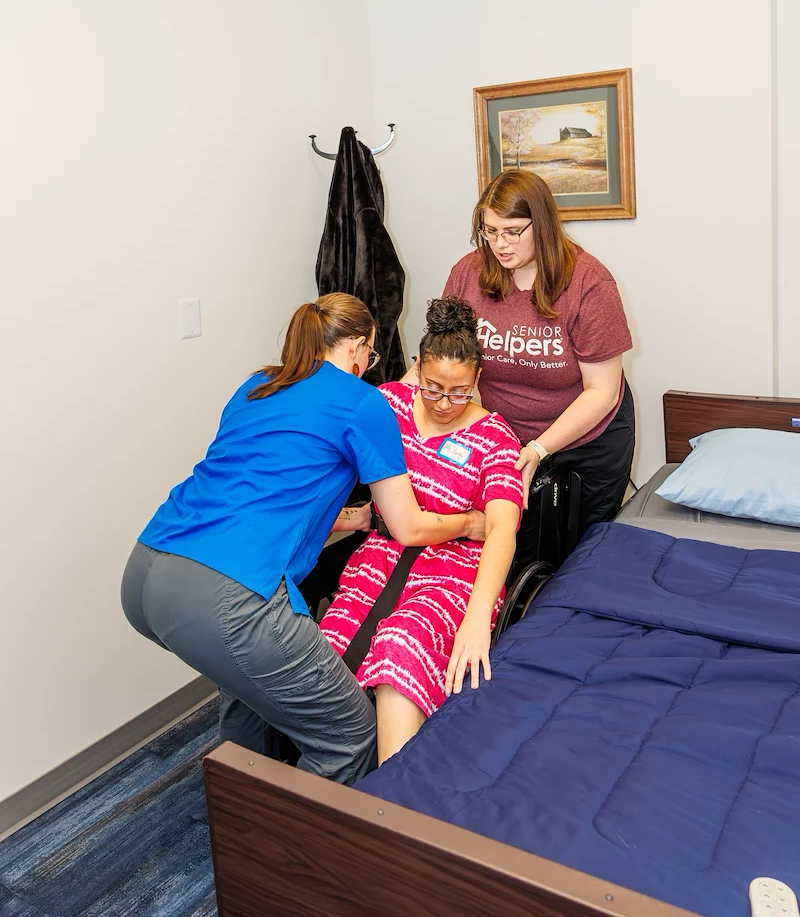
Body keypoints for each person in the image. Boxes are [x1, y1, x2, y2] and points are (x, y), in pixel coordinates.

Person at [120, 293, 486, 786]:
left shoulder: (258, 384)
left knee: (250, 695)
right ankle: (290, 835)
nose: (369, 364)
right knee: (352, 736)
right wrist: (469, 523)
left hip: (148, 571)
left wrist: (354, 519)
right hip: (227, 594)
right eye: (371, 354)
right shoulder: (365, 402)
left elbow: (260, 494)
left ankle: (242, 809)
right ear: (356, 346)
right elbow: (409, 528)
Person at [320, 297, 523, 765]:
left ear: (478, 379)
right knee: (327, 652)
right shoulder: (387, 405)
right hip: (379, 559)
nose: (445, 404)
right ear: (417, 367)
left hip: (455, 575)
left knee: (401, 646)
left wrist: (478, 618)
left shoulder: (496, 438)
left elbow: (501, 530)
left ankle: (394, 792)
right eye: (433, 388)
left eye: (460, 392)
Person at [443, 169, 634, 536]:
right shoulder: (469, 273)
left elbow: (602, 391)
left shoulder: (589, 282)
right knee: (518, 546)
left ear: (542, 225)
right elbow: (443, 359)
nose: (500, 244)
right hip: (507, 438)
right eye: (490, 231)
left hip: (588, 441)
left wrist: (539, 448)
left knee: (582, 549)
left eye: (513, 231)